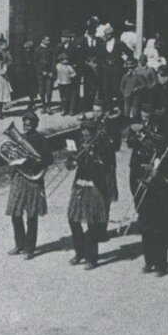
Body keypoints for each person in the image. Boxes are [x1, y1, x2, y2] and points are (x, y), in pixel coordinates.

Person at [126, 109, 168, 275]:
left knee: (161, 229)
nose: (152, 136)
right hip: (145, 192)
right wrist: (137, 188)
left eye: (157, 129)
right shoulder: (141, 147)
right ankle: (149, 261)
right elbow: (133, 169)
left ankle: (161, 264)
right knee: (146, 229)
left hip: (161, 195)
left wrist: (159, 176)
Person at [62, 115, 115, 268]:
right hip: (79, 184)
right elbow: (71, 162)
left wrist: (94, 155)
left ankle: (91, 258)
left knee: (92, 222)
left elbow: (106, 165)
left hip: (95, 186)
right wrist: (70, 161)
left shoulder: (102, 145)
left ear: (93, 133)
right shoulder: (79, 144)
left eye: (87, 133)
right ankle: (80, 252)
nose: (85, 135)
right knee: (73, 219)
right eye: (83, 132)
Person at [0, 114, 54, 258]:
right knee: (15, 213)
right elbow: (13, 154)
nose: (26, 127)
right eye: (24, 125)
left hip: (33, 178)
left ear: (35, 125)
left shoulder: (41, 139)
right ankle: (19, 244)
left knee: (31, 215)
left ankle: (30, 248)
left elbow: (49, 159)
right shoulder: (20, 138)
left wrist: (35, 162)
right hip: (19, 176)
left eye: (29, 125)